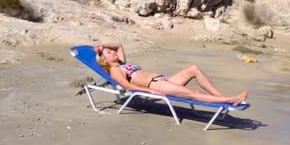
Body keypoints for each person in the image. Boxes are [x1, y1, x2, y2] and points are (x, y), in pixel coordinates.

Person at [95, 43, 248, 105]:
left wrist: (103, 46)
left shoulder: (121, 63)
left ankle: (220, 97)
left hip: (164, 80)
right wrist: (151, 91)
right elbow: (128, 86)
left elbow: (119, 45)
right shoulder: (115, 70)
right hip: (156, 85)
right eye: (109, 52)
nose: (113, 51)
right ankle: (229, 100)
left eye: (112, 51)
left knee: (193, 69)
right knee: (193, 93)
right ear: (105, 60)